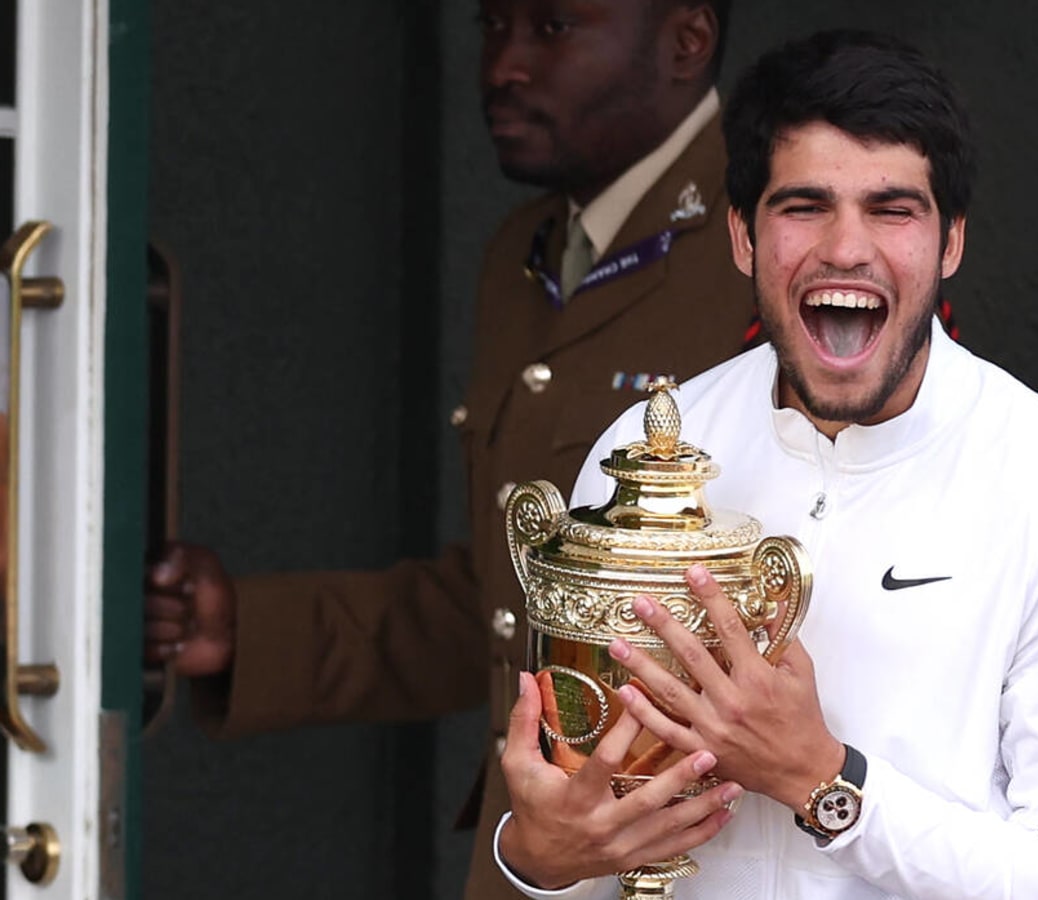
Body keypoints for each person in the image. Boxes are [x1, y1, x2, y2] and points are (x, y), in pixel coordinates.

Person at [492, 29, 1038, 899]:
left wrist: (826, 782)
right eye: (805, 206)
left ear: (952, 244)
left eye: (892, 209)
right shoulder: (636, 462)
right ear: (744, 236)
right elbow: (585, 829)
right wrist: (538, 859)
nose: (847, 248)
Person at [142, 2, 756, 897]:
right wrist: (247, 630)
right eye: (492, 27)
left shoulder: (772, 234)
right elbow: (511, 605)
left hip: (695, 858)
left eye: (550, 29)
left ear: (685, 41)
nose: (502, 65)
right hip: (534, 857)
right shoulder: (529, 253)